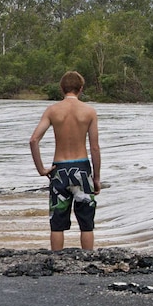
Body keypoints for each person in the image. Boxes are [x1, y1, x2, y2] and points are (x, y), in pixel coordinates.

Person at [29, 71, 101, 251]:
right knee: (86, 222)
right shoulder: (89, 111)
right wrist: (97, 178)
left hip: (59, 170)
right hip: (82, 169)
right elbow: (94, 148)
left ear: (61, 88)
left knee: (57, 222)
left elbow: (34, 140)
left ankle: (56, 259)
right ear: (81, 89)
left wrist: (41, 169)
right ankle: (88, 258)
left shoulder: (53, 111)